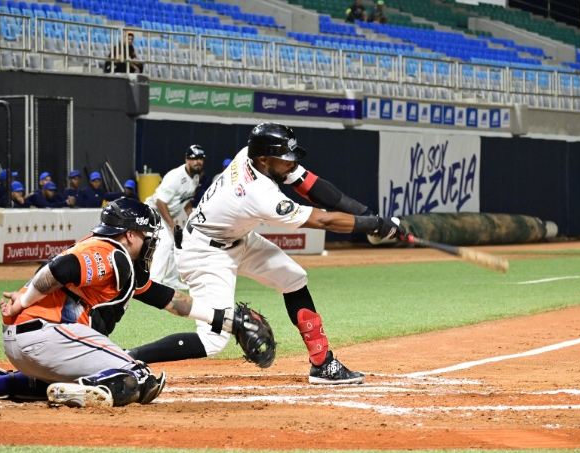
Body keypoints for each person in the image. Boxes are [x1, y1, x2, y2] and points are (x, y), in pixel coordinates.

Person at [130, 123, 405, 384]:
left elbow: (311, 186)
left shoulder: (251, 156)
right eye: (285, 158)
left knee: (294, 278)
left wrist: (370, 217)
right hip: (205, 252)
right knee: (213, 342)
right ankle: (129, 358)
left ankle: (322, 364)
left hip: (236, 238)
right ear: (264, 159)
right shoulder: (257, 194)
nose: (291, 163)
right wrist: (376, 226)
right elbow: (324, 221)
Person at [0, 198, 258, 407]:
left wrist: (225, 320)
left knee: (110, 369)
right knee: (138, 376)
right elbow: (61, 269)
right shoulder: (109, 251)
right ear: (130, 235)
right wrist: (23, 301)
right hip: (47, 334)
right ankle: (84, 391)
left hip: (28, 344)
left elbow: (166, 299)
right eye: (146, 236)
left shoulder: (116, 260)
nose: (149, 243)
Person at [144, 144, 205, 290]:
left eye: (201, 158)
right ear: (187, 160)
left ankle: (171, 280)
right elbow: (160, 202)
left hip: (168, 214)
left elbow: (187, 200)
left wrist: (193, 219)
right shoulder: (175, 176)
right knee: (165, 241)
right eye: (194, 158)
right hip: (153, 210)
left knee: (177, 243)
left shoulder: (195, 177)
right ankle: (154, 283)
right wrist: (171, 225)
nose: (198, 161)